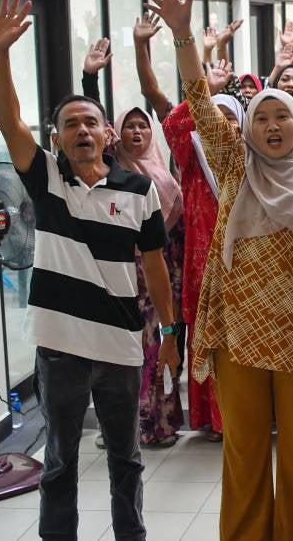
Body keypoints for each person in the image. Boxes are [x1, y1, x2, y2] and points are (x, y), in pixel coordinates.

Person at [146, 0, 293, 540]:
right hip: (239, 333)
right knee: (243, 454)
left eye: (281, 116)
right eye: (261, 118)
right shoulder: (236, 170)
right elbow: (200, 106)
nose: (271, 126)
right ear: (251, 129)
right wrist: (184, 36)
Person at [0, 0, 179, 540]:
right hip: (60, 347)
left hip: (120, 346)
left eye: (90, 122)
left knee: (127, 462)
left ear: (106, 133)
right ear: (57, 138)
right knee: (60, 464)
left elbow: (156, 266)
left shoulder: (138, 189)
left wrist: (170, 330)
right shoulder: (46, 179)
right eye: (70, 124)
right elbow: (8, 118)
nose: (81, 131)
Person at [131, 11, 232, 443]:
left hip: (241, 269)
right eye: (212, 120)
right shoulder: (191, 161)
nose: (219, 128)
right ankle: (209, 419)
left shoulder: (251, 166)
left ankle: (237, 417)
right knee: (204, 346)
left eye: (228, 120)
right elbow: (161, 103)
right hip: (197, 268)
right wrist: (144, 47)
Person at [111, 106, 186, 448]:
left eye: (143, 125)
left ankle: (158, 422)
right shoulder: (111, 170)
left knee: (156, 348)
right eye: (129, 127)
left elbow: (175, 232)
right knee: (125, 353)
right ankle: (128, 425)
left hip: (156, 276)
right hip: (120, 277)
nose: (137, 132)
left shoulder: (163, 175)